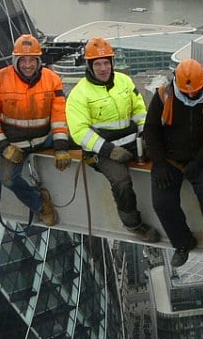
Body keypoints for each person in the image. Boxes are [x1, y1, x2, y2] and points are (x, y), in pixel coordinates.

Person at [66, 37, 159, 243]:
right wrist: (108, 150)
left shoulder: (124, 81)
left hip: (133, 142)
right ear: (89, 66)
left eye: (106, 63)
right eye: (97, 64)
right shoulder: (79, 94)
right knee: (121, 182)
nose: (103, 68)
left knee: (165, 157)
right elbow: (79, 132)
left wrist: (145, 134)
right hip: (103, 150)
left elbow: (139, 110)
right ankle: (133, 224)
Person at [0, 34, 71, 226]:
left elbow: (58, 116)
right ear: (15, 60)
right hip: (15, 143)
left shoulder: (52, 80)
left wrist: (61, 147)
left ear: (38, 61)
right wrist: (4, 147)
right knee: (9, 180)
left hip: (44, 138)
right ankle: (40, 204)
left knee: (83, 145)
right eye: (23, 60)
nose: (28, 65)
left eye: (32, 60)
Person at [143, 58, 203, 267]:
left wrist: (198, 162)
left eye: (195, 91)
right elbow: (151, 130)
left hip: (202, 158)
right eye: (187, 91)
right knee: (162, 203)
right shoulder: (163, 97)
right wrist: (159, 163)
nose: (191, 95)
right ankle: (182, 242)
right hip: (170, 159)